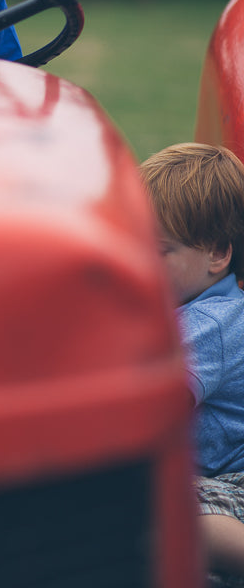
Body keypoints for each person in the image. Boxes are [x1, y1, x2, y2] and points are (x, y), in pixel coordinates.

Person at [139, 143, 244, 582]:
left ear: (217, 255)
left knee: (179, 514)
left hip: (233, 477)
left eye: (158, 251)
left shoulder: (208, 324)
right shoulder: (182, 303)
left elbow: (155, 410)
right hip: (214, 474)